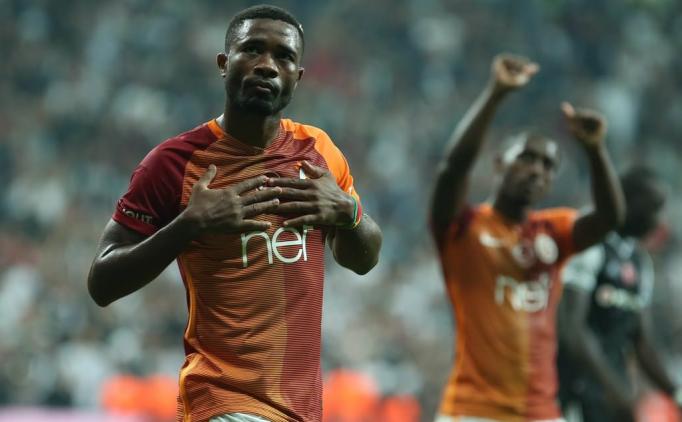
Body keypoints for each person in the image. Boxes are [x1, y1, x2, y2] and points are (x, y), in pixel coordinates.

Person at [87, 5, 382, 422]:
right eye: (253, 49)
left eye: (283, 56)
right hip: (223, 402)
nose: (267, 65)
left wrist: (347, 212)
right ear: (224, 63)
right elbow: (102, 282)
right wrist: (189, 225)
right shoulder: (175, 162)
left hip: (299, 410)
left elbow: (363, 260)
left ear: (298, 76)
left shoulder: (319, 152)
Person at [430, 53, 625, 422]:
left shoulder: (554, 231)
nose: (537, 170)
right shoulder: (464, 227)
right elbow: (452, 169)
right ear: (499, 163)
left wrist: (596, 150)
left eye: (547, 166)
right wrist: (495, 95)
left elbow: (610, 218)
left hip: (542, 413)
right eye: (526, 158)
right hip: (473, 412)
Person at [557, 166, 682, 422]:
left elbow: (640, 340)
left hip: (609, 395)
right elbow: (572, 330)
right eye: (654, 208)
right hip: (571, 389)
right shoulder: (589, 243)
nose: (659, 220)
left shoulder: (639, 262)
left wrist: (676, 393)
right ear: (626, 200)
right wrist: (615, 390)